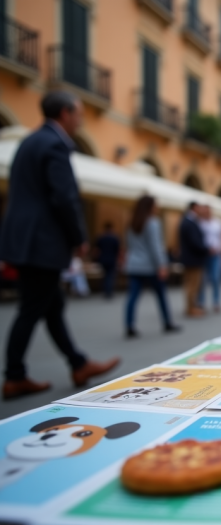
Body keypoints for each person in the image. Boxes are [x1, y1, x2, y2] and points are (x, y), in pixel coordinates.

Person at [0, 91, 119, 399]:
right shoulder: (55, 144)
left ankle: (78, 363)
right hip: (41, 241)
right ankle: (14, 376)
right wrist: (78, 237)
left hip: (24, 239)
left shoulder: (29, 141)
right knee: (32, 309)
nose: (80, 119)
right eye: (78, 113)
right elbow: (64, 197)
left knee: (51, 305)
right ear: (65, 114)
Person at [124, 196, 179, 338]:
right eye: (156, 205)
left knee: (132, 297)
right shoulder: (153, 223)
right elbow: (155, 247)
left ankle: (129, 325)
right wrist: (162, 265)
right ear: (150, 207)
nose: (158, 207)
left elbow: (129, 245)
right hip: (150, 266)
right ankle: (167, 322)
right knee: (161, 295)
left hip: (134, 264)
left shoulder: (132, 223)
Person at [178, 201, 209, 317]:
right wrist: (206, 249)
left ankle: (191, 307)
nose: (202, 210)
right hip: (193, 259)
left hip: (190, 259)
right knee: (192, 285)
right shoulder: (190, 222)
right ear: (195, 208)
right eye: (200, 208)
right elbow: (194, 242)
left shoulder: (186, 220)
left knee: (189, 285)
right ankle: (191, 308)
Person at [197, 205, 221, 313]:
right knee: (202, 280)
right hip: (204, 254)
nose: (206, 213)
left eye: (208, 211)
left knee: (216, 278)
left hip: (216, 254)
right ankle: (201, 302)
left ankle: (216, 302)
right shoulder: (200, 223)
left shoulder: (218, 223)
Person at [94, 222, 120, 299]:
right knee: (110, 275)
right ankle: (109, 291)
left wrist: (95, 259)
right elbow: (118, 250)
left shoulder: (101, 237)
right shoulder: (115, 238)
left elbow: (97, 250)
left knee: (105, 275)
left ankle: (105, 290)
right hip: (112, 259)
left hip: (102, 259)